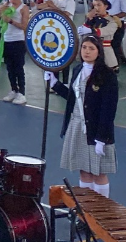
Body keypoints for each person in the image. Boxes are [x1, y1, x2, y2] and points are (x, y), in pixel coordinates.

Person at [46, 35, 118, 197]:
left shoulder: (107, 75)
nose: (87, 51)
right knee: (84, 170)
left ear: (99, 52)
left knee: (98, 173)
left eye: (91, 48)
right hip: (77, 126)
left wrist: (102, 137)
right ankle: (85, 213)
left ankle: (100, 212)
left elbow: (109, 110)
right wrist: (55, 84)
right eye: (84, 47)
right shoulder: (78, 69)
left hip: (96, 129)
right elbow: (73, 97)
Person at [0, 0, 30, 104]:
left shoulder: (23, 8)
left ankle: (22, 93)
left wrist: (10, 21)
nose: (12, 1)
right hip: (6, 39)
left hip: (18, 40)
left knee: (18, 67)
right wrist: (0, 9)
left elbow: (24, 26)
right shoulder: (7, 5)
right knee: (9, 68)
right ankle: (14, 89)